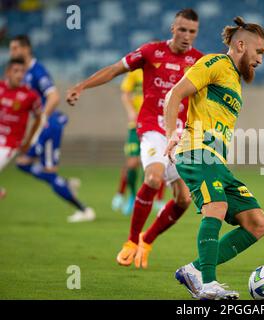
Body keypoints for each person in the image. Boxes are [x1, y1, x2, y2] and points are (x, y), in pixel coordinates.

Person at [66, 9, 203, 269]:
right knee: (153, 177)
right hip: (152, 127)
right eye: (182, 29)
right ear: (173, 28)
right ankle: (130, 242)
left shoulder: (199, 61)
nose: (187, 36)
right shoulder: (152, 52)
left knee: (184, 199)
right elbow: (115, 69)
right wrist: (81, 86)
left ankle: (146, 240)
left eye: (192, 31)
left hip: (179, 134)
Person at [164, 16, 264, 300]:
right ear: (241, 44)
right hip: (197, 151)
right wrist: (171, 132)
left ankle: (194, 270)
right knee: (217, 206)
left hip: (217, 162)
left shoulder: (234, 80)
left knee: (257, 222)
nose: (260, 59)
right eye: (258, 52)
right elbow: (174, 94)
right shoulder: (215, 64)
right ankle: (208, 283)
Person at [9, 35, 94, 222]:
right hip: (45, 126)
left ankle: (84, 210)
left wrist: (40, 122)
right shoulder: (24, 73)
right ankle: (64, 186)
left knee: (36, 167)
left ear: (26, 49)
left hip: (49, 126)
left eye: (15, 48)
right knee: (24, 163)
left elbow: (54, 98)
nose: (12, 53)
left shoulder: (38, 71)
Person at [111, 69, 166, 215]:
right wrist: (130, 111)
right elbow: (125, 94)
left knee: (154, 164)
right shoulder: (135, 73)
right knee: (132, 163)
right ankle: (131, 195)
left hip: (155, 124)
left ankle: (151, 199)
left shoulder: (161, 72)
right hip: (136, 125)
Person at [0, 58, 42, 199]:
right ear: (7, 72)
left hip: (9, 144)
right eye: (16, 71)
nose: (20, 75)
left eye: (22, 72)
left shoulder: (30, 95)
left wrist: (28, 141)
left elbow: (38, 118)